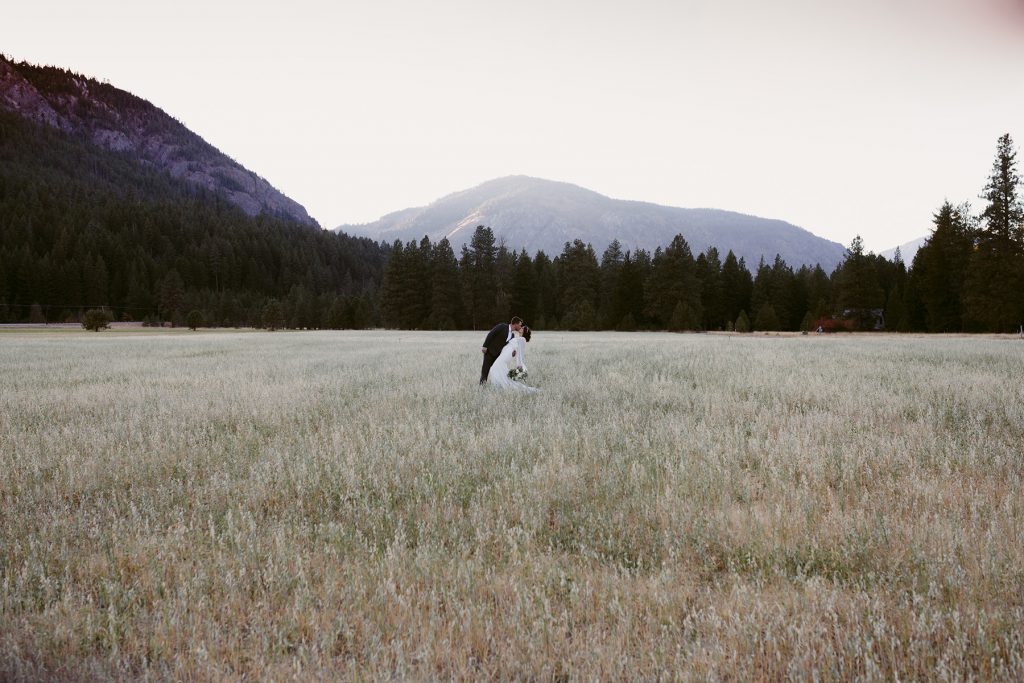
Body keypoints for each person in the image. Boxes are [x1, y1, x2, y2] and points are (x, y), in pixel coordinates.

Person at [486, 325, 537, 392]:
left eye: (522, 328)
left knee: (494, 368)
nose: (520, 328)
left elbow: (520, 353)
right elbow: (516, 348)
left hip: (505, 355)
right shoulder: (520, 339)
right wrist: (514, 351)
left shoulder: (522, 339)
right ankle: (498, 387)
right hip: (505, 353)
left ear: (524, 331)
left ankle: (500, 387)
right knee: (495, 368)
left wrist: (520, 365)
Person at [480, 317, 523, 384]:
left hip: (498, 356)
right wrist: (485, 346)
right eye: (520, 325)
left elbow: (508, 346)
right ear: (515, 324)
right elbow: (491, 334)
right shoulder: (502, 326)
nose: (520, 326)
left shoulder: (512, 335)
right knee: (485, 371)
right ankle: (481, 386)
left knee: (496, 370)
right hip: (489, 352)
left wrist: (513, 351)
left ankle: (496, 384)